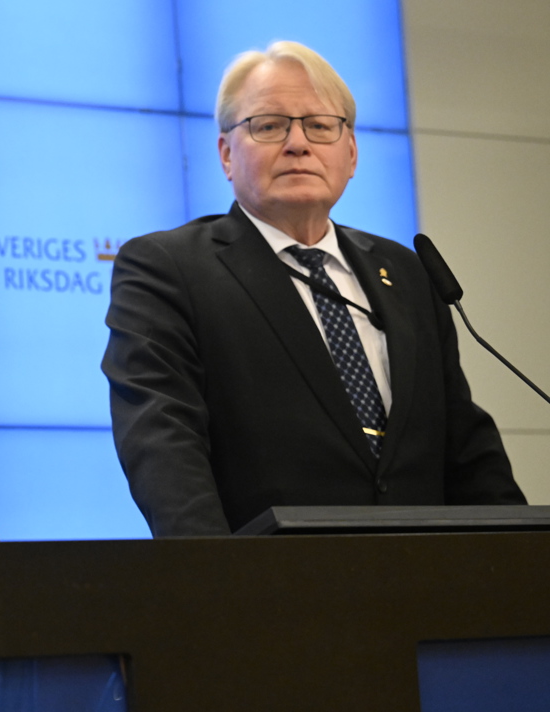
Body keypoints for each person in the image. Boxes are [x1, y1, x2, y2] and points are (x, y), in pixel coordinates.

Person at [102, 41, 524, 537]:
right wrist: (214, 584)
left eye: (320, 126)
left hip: (425, 590)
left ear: (350, 154)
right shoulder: (169, 269)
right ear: (225, 154)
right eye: (269, 125)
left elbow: (465, 446)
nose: (298, 144)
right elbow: (164, 444)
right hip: (271, 593)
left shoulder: (407, 273)